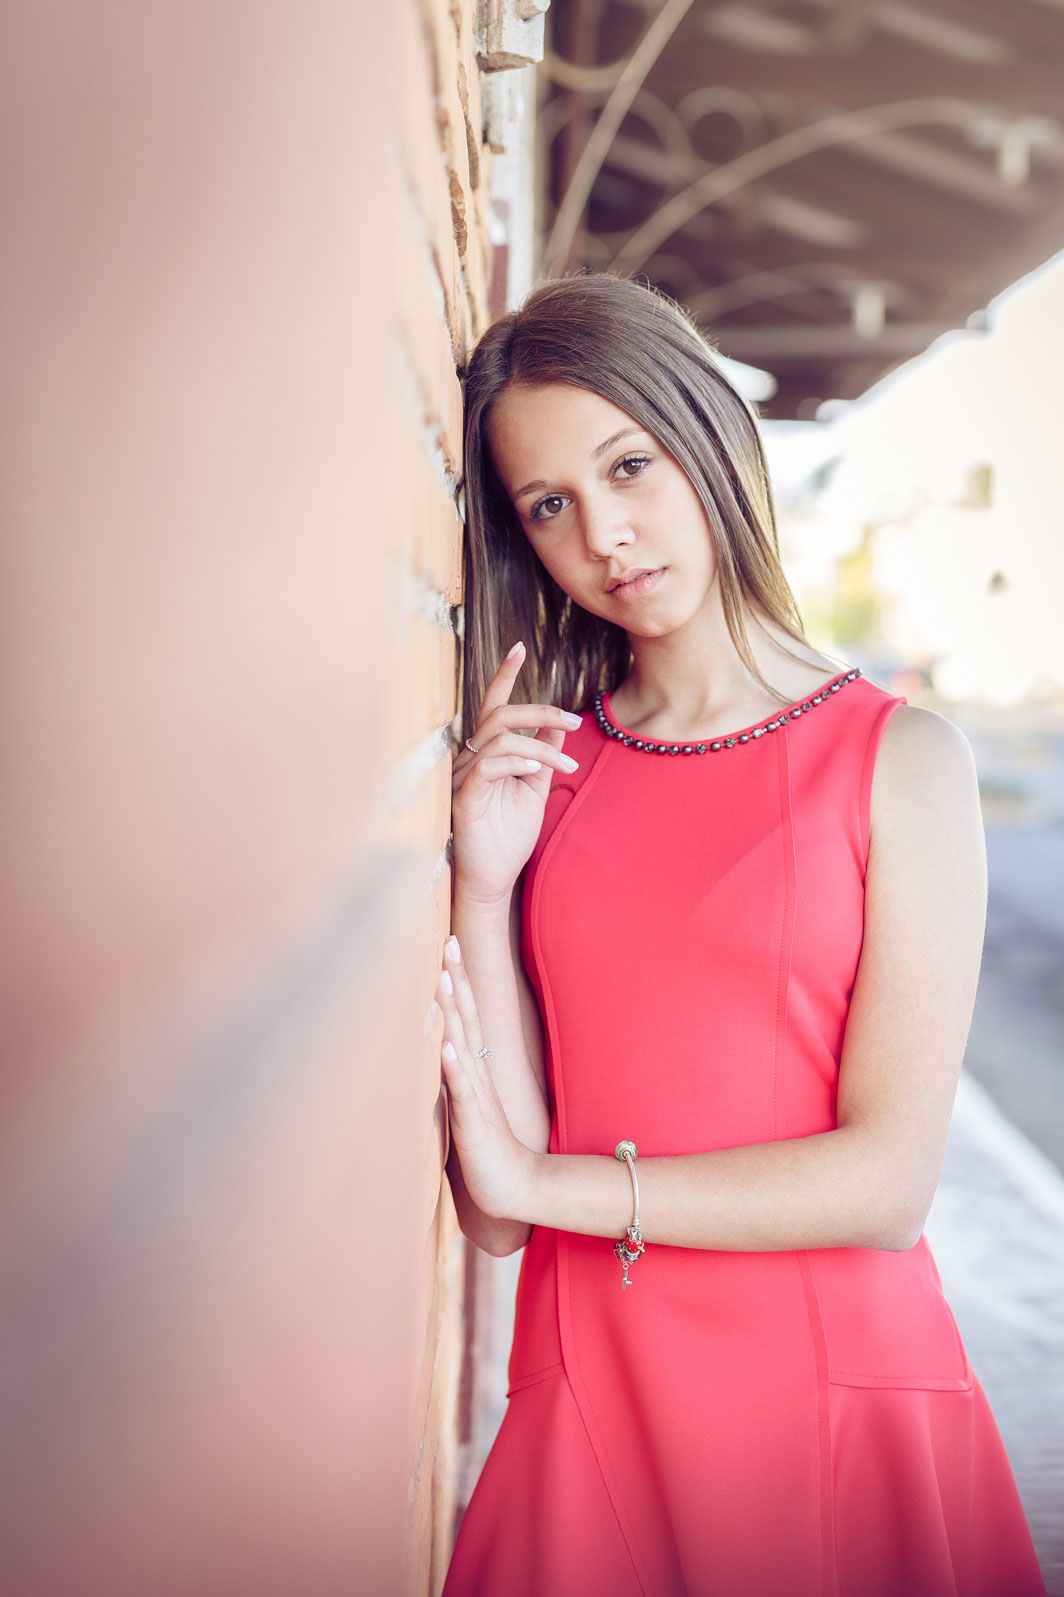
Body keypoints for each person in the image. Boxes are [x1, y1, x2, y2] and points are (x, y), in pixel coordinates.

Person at [433, 272, 1046, 1597]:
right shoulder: (547, 784)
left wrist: (552, 1189)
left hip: (831, 1398)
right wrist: (483, 889)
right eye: (550, 505)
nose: (606, 534)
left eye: (628, 467)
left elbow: (888, 1183)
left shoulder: (903, 763)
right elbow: (496, 1210)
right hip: (591, 1388)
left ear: (706, 434)